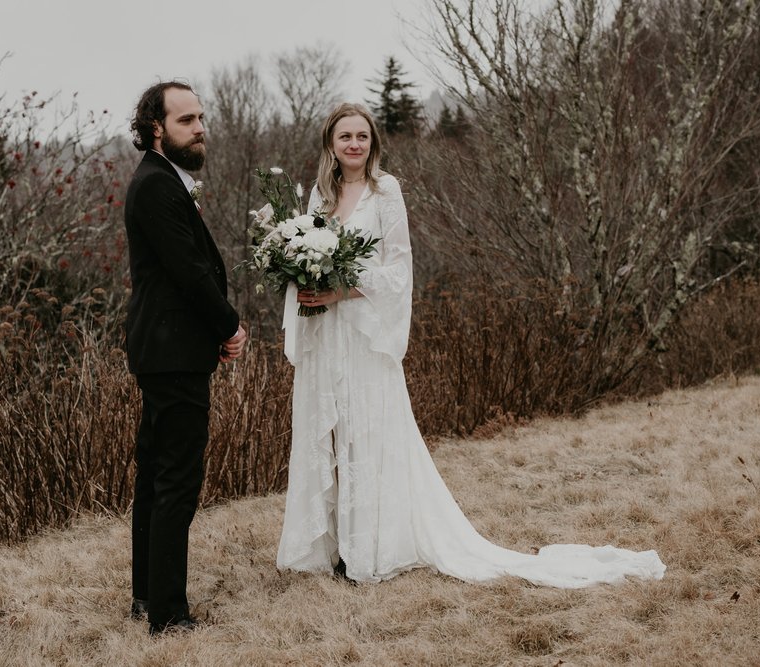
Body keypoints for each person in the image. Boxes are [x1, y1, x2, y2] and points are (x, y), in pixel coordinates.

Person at [276, 102, 665, 587]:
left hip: (364, 332)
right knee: (333, 433)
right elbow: (309, 255)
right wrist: (307, 284)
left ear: (373, 142)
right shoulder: (319, 195)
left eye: (362, 136)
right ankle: (331, 544)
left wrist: (341, 289)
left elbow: (399, 269)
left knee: (369, 430)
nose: (354, 144)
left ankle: (371, 545)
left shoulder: (386, 190)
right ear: (330, 145)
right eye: (344, 137)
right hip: (329, 333)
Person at [124, 81, 247, 635]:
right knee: (176, 481)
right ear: (156, 129)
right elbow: (189, 273)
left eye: (200, 118)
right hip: (174, 352)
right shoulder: (155, 186)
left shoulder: (165, 180)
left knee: (155, 477)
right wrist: (229, 324)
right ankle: (169, 615)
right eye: (186, 120)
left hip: (165, 351)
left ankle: (148, 598)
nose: (200, 128)